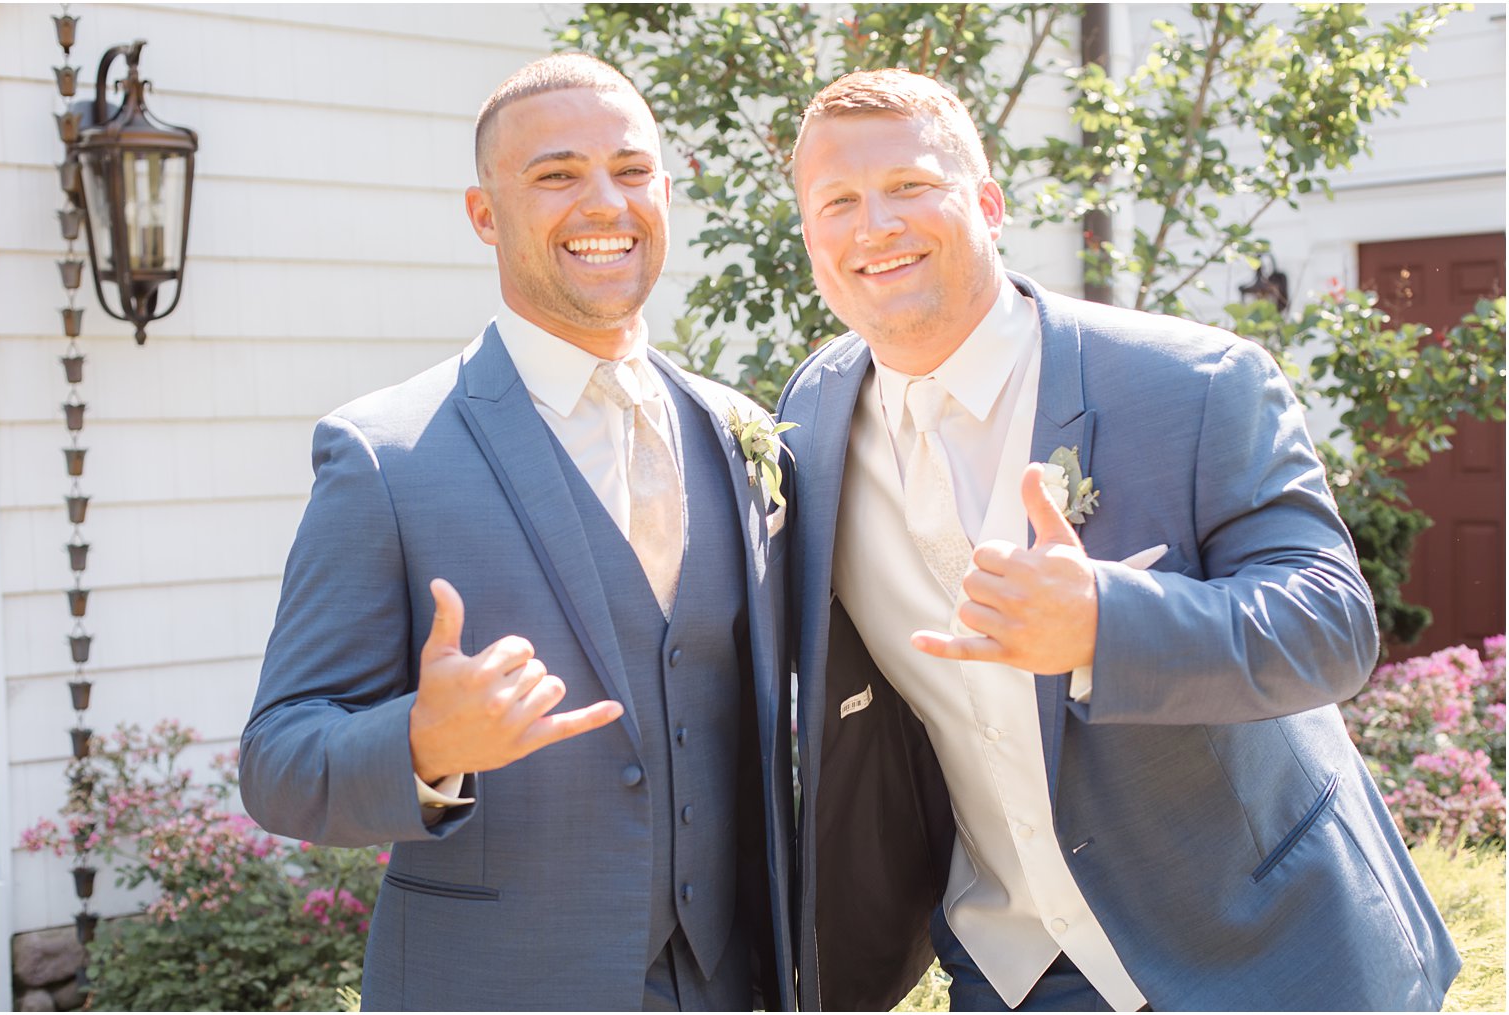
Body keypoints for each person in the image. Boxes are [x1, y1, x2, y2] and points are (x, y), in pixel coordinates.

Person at [778, 68, 1459, 1012]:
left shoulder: (1193, 383)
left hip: (1258, 949)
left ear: (987, 203)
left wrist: (1106, 620)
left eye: (910, 188)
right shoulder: (811, 415)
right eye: (838, 201)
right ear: (810, 236)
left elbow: (1331, 628)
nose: (874, 225)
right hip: (1012, 971)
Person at [239, 53, 793, 1012]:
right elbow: (278, 762)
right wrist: (419, 742)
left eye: (631, 170)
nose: (603, 202)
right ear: (484, 214)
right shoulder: (387, 455)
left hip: (731, 986)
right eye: (555, 174)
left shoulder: (738, 432)